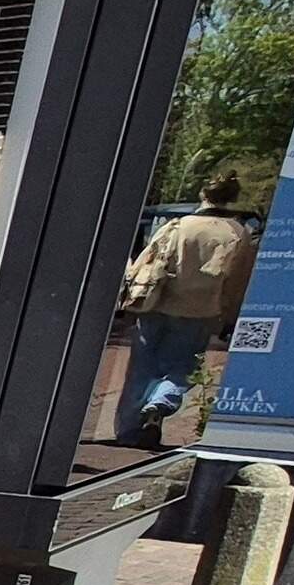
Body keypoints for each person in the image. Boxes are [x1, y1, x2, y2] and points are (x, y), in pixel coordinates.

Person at [118, 174, 257, 448]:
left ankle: (129, 429)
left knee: (141, 367)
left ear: (204, 196)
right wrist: (230, 316)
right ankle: (161, 401)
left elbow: (149, 261)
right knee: (183, 366)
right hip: (201, 310)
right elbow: (238, 280)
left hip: (158, 304)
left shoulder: (179, 225)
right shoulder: (238, 233)